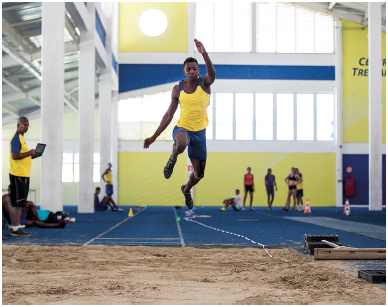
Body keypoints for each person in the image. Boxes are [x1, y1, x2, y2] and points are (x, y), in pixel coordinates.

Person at [143, 39, 216, 210]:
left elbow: (212, 74)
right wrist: (153, 137)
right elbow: (169, 115)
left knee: (199, 174)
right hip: (183, 129)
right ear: (183, 71)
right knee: (181, 143)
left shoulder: (204, 83)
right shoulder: (178, 89)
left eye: (194, 68)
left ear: (198, 71)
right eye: (188, 69)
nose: (191, 71)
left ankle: (186, 189)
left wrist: (204, 53)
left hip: (200, 133)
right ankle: (172, 158)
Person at [8, 116, 36, 236]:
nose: (26, 127)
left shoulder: (21, 138)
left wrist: (31, 155)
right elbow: (14, 156)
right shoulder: (16, 138)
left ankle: (15, 226)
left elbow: (22, 155)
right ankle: (15, 228)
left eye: (27, 125)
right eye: (24, 125)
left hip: (23, 174)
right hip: (18, 174)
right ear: (18, 125)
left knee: (20, 202)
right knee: (18, 203)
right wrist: (29, 153)